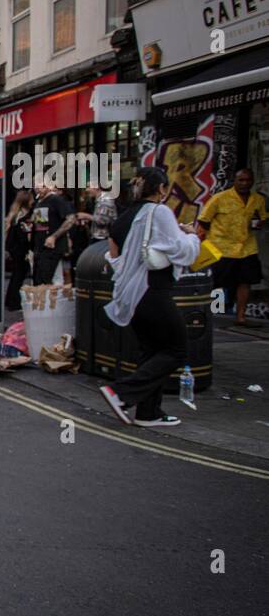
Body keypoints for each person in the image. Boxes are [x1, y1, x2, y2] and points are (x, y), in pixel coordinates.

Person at [100, 167, 201, 427]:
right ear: (161, 189)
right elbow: (181, 251)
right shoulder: (160, 211)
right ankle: (120, 393)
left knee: (152, 351)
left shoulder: (122, 219)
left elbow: (113, 256)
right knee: (177, 350)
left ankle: (149, 413)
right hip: (152, 291)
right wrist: (191, 236)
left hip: (129, 296)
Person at [199, 168, 266, 326]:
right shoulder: (220, 198)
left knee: (245, 281)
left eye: (247, 180)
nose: (244, 183)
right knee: (216, 281)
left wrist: (260, 223)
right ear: (234, 181)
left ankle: (240, 316)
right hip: (222, 247)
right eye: (240, 180)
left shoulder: (258, 200)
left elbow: (262, 218)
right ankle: (212, 313)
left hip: (247, 247)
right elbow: (204, 220)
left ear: (252, 181)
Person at [30, 178, 77, 285]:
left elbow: (71, 219)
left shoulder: (55, 200)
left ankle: (52, 300)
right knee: (44, 278)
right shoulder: (39, 202)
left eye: (41, 185)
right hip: (40, 246)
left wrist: (54, 236)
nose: (38, 188)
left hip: (53, 247)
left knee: (47, 278)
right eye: (35, 185)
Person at [4, 189, 34, 312]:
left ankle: (10, 300)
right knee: (19, 275)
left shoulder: (14, 214)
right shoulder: (25, 216)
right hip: (21, 249)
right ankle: (14, 302)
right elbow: (26, 235)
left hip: (13, 248)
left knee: (16, 275)